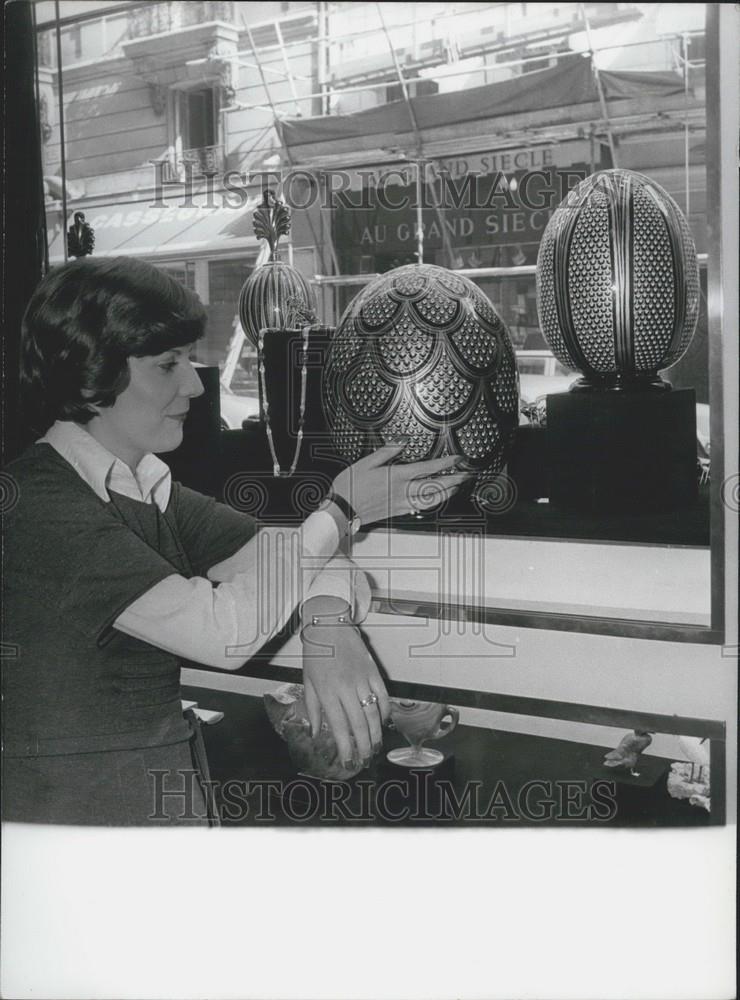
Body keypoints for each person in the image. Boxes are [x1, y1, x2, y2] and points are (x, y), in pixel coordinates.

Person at [2, 257, 468, 826]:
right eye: (167, 365)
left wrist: (328, 626)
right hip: (68, 818)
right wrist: (343, 509)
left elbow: (304, 557)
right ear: (90, 374)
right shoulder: (36, 505)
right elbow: (221, 635)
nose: (194, 384)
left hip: (154, 792)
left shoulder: (146, 486)